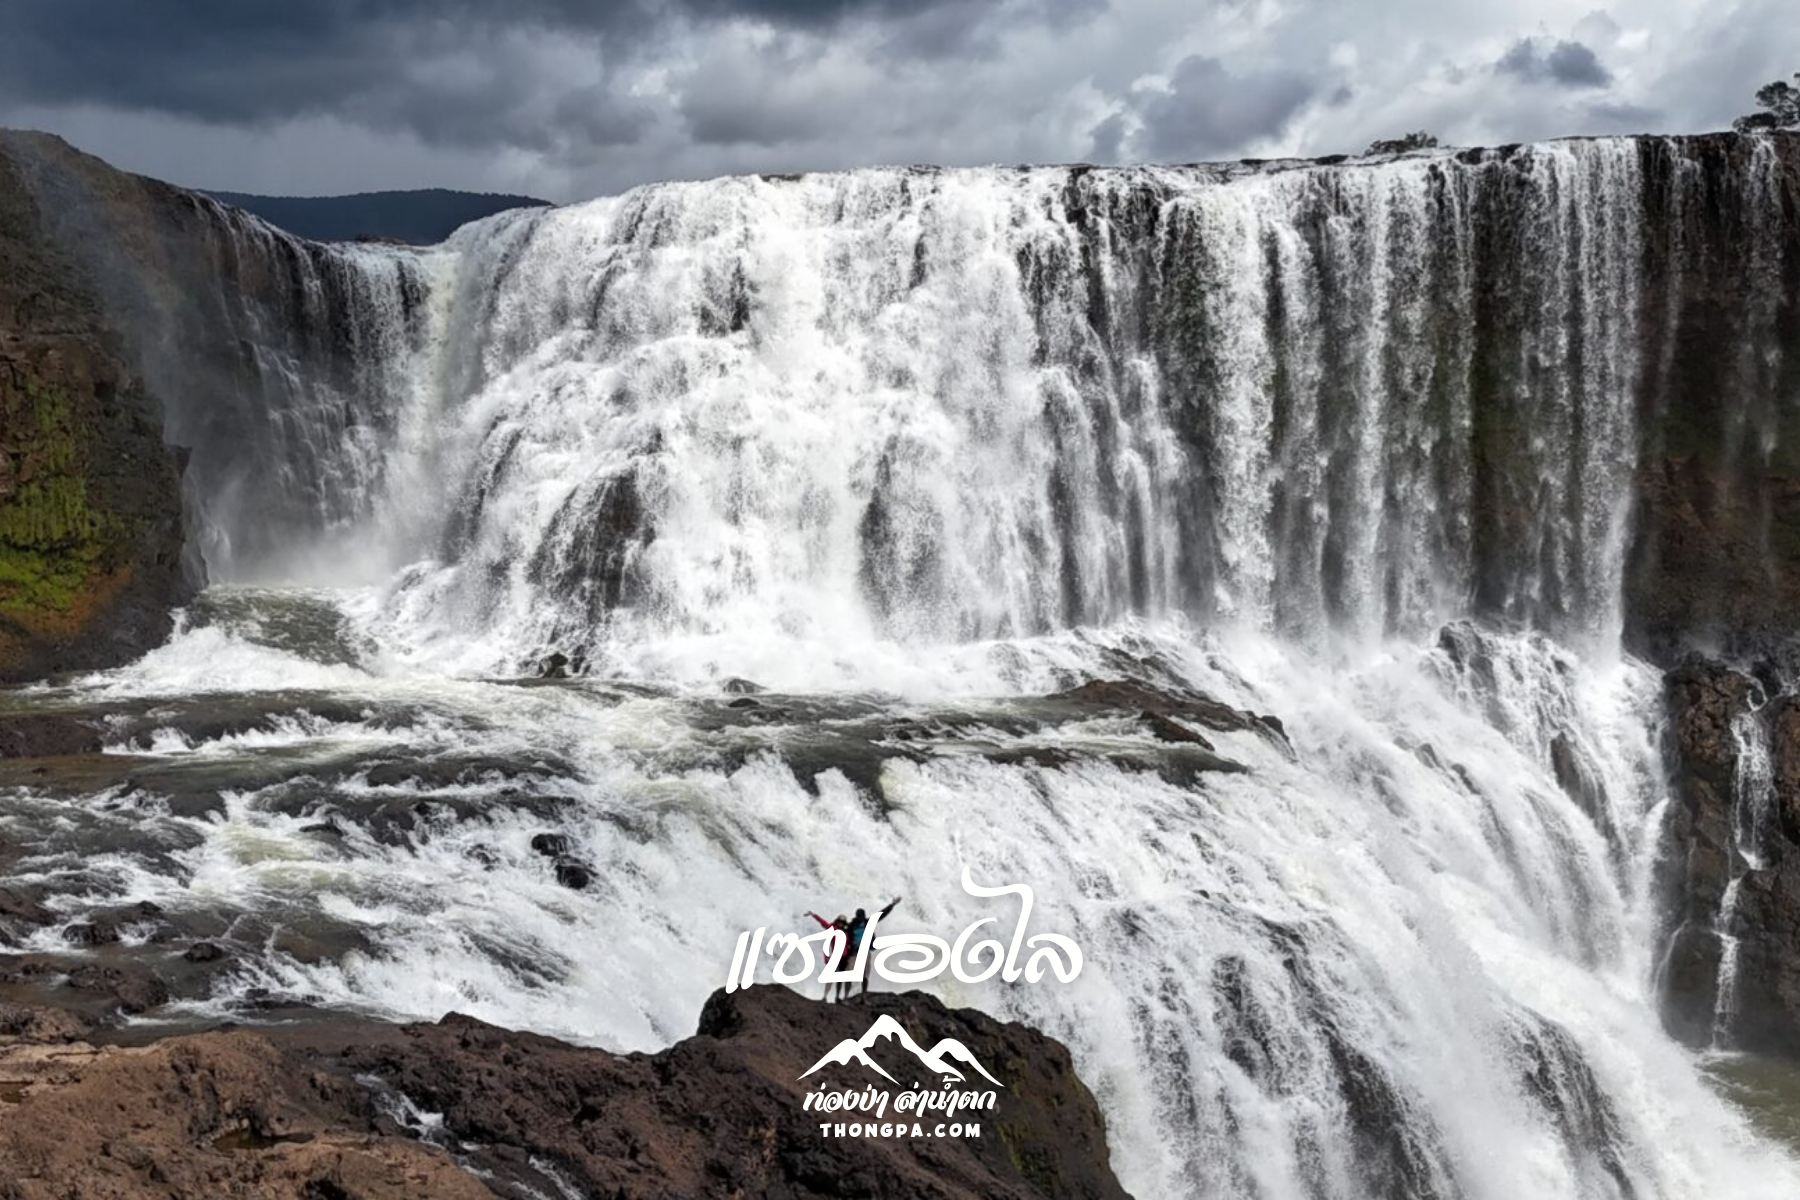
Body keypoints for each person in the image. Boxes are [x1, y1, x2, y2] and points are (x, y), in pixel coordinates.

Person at [846, 897, 902, 1000]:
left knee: (865, 975)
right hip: (854, 952)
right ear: (856, 916)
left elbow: (882, 914)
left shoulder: (868, 922)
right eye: (859, 917)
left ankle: (863, 996)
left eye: (862, 917)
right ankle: (846, 996)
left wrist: (892, 904)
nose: (861, 919)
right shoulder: (851, 925)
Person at [804, 911, 852, 1001]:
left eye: (842, 922)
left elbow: (849, 944)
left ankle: (837, 996)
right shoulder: (833, 928)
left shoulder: (846, 932)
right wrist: (814, 915)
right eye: (839, 922)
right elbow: (823, 922)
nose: (841, 924)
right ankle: (825, 996)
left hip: (845, 957)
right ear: (837, 921)